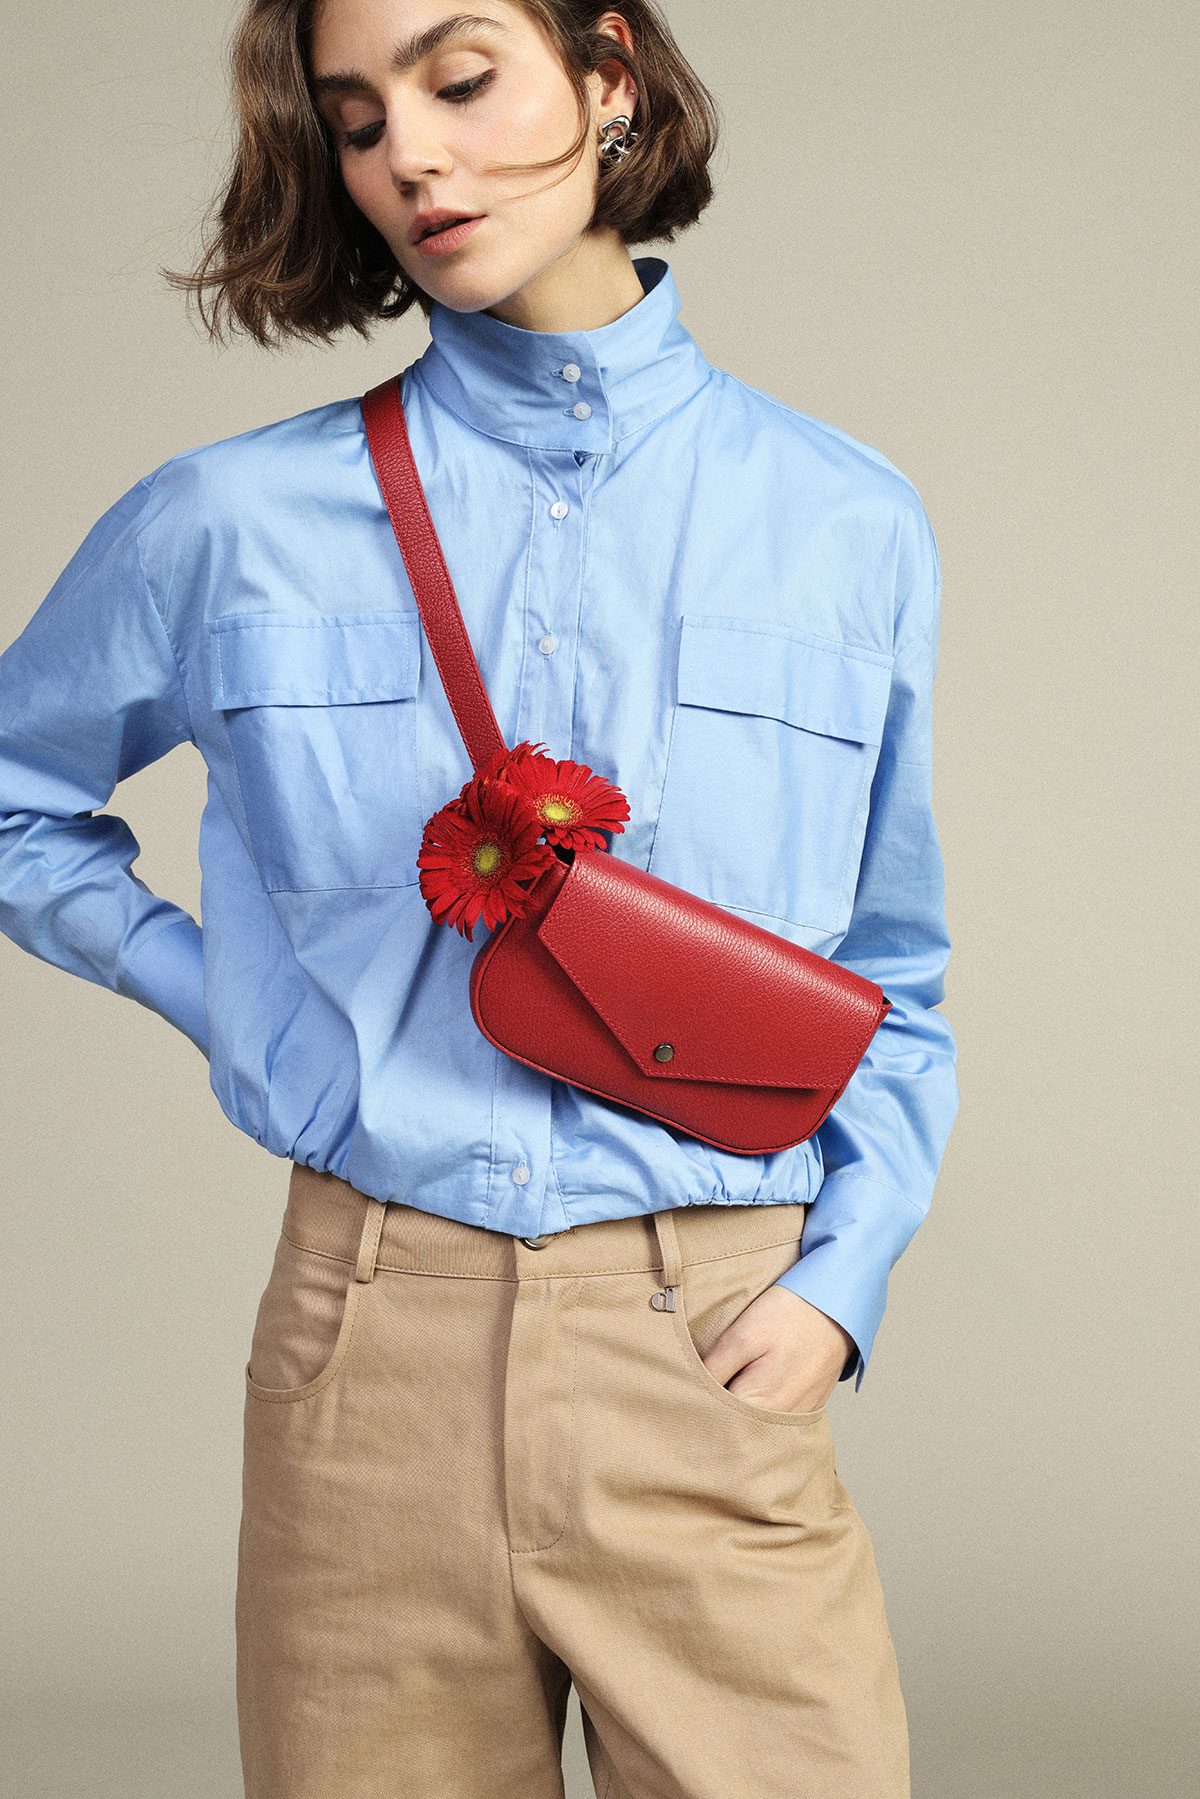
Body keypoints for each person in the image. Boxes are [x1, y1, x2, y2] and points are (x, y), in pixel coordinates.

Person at [0, 1, 959, 1794]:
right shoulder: (229, 523)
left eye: (459, 81)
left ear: (609, 81)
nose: (411, 157)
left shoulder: (846, 521)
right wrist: (237, 999)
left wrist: (842, 1281)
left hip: (711, 1337)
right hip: (371, 1352)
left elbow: (889, 967)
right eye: (358, 123)